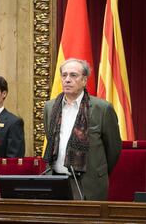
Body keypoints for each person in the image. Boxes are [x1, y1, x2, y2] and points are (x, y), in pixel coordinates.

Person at [43, 58, 122, 200]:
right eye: (64, 75)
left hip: (87, 184)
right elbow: (50, 140)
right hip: (55, 181)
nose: (67, 79)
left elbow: (113, 150)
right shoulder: (50, 107)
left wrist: (96, 172)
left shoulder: (102, 109)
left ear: (84, 80)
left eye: (73, 75)